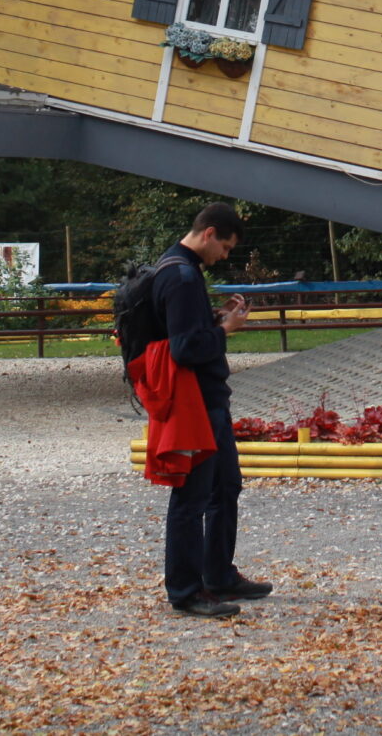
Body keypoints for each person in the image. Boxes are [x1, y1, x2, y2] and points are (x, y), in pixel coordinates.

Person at [153, 202, 270, 618]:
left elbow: (180, 332)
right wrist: (225, 330)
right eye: (226, 246)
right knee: (193, 495)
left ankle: (218, 574)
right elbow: (185, 350)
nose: (225, 255)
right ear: (209, 234)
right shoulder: (182, 276)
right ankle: (185, 591)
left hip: (207, 400)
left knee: (224, 487)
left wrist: (216, 318)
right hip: (196, 402)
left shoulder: (177, 269)